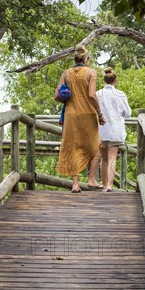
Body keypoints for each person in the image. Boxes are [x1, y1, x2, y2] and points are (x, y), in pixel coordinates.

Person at [54, 45, 106, 193]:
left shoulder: (66, 74)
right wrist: (100, 114)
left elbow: (56, 96)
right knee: (95, 144)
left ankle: (75, 184)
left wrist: (69, 96)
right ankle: (91, 179)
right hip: (89, 114)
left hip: (71, 114)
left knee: (73, 146)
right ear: (86, 59)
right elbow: (92, 95)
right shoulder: (91, 72)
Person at [97, 67, 131, 192]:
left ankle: (104, 184)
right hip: (115, 130)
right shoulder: (120, 94)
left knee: (104, 158)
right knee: (112, 158)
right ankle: (110, 186)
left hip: (101, 129)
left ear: (104, 80)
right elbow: (127, 113)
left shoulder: (97, 94)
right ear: (115, 81)